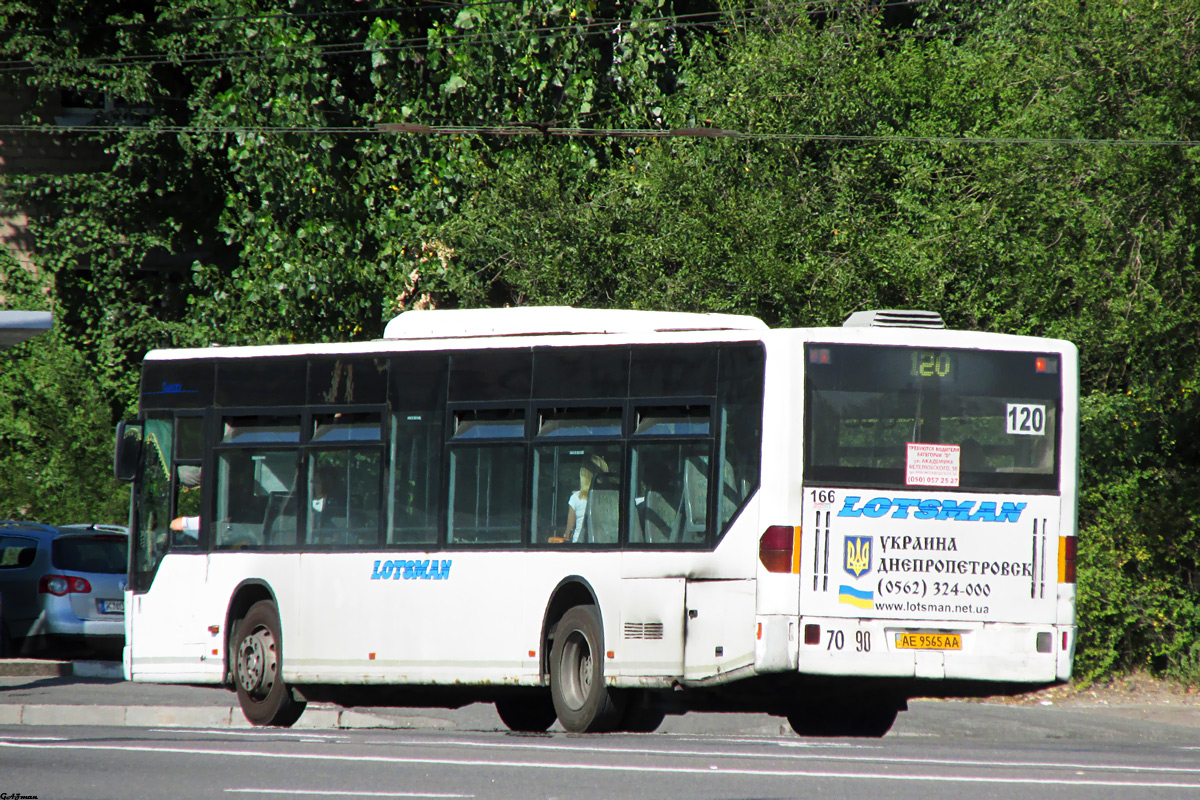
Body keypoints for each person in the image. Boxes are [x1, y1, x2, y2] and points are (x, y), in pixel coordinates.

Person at [564, 454, 608, 543]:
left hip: (580, 546)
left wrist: (566, 535)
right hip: (605, 544)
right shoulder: (609, 499)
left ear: (583, 475)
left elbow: (569, 529)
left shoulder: (576, 498)